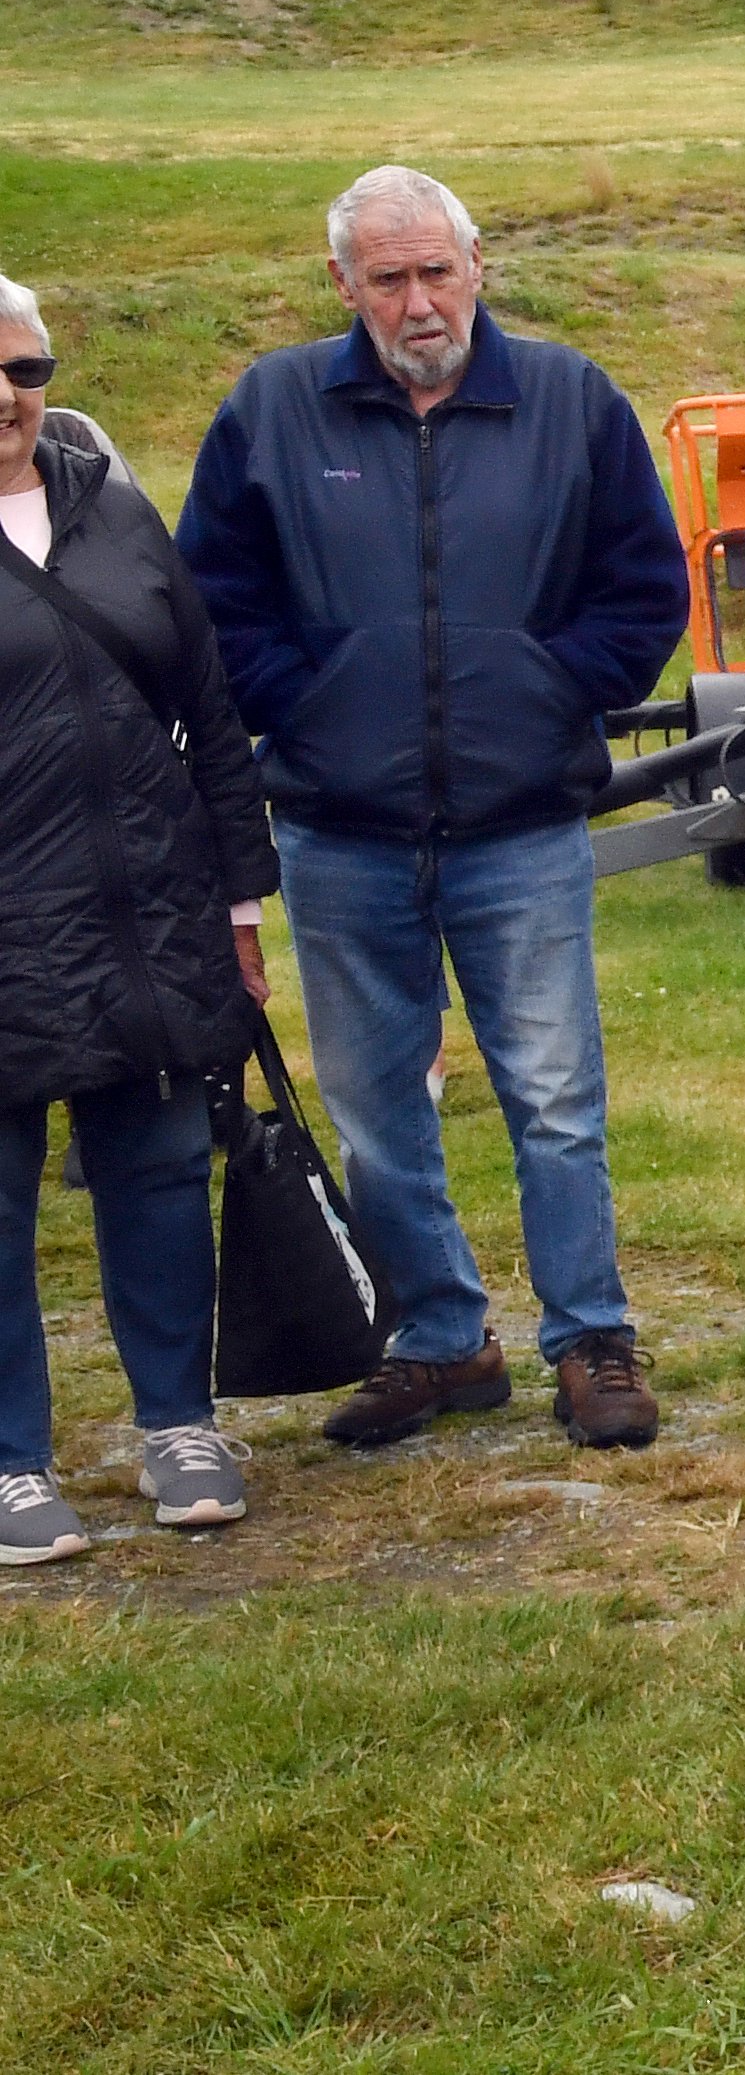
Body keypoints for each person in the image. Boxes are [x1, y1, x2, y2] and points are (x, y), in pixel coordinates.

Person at [180, 165, 686, 1455]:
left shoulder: (570, 400)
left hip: (520, 826)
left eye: (438, 270)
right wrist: (312, 707)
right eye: (389, 277)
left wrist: (545, 688)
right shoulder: (273, 408)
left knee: (557, 1095)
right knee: (374, 1105)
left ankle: (590, 1337)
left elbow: (642, 588)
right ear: (342, 284)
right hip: (341, 831)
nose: (419, 300)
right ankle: (440, 1336)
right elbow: (215, 602)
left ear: (479, 265)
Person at [0, 281, 272, 1556]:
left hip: (146, 913)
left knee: (161, 1172)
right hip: (9, 924)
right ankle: (11, 1461)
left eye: (23, 366)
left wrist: (240, 896)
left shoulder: (112, 505)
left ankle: (179, 1426)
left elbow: (211, 714)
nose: (6, 395)